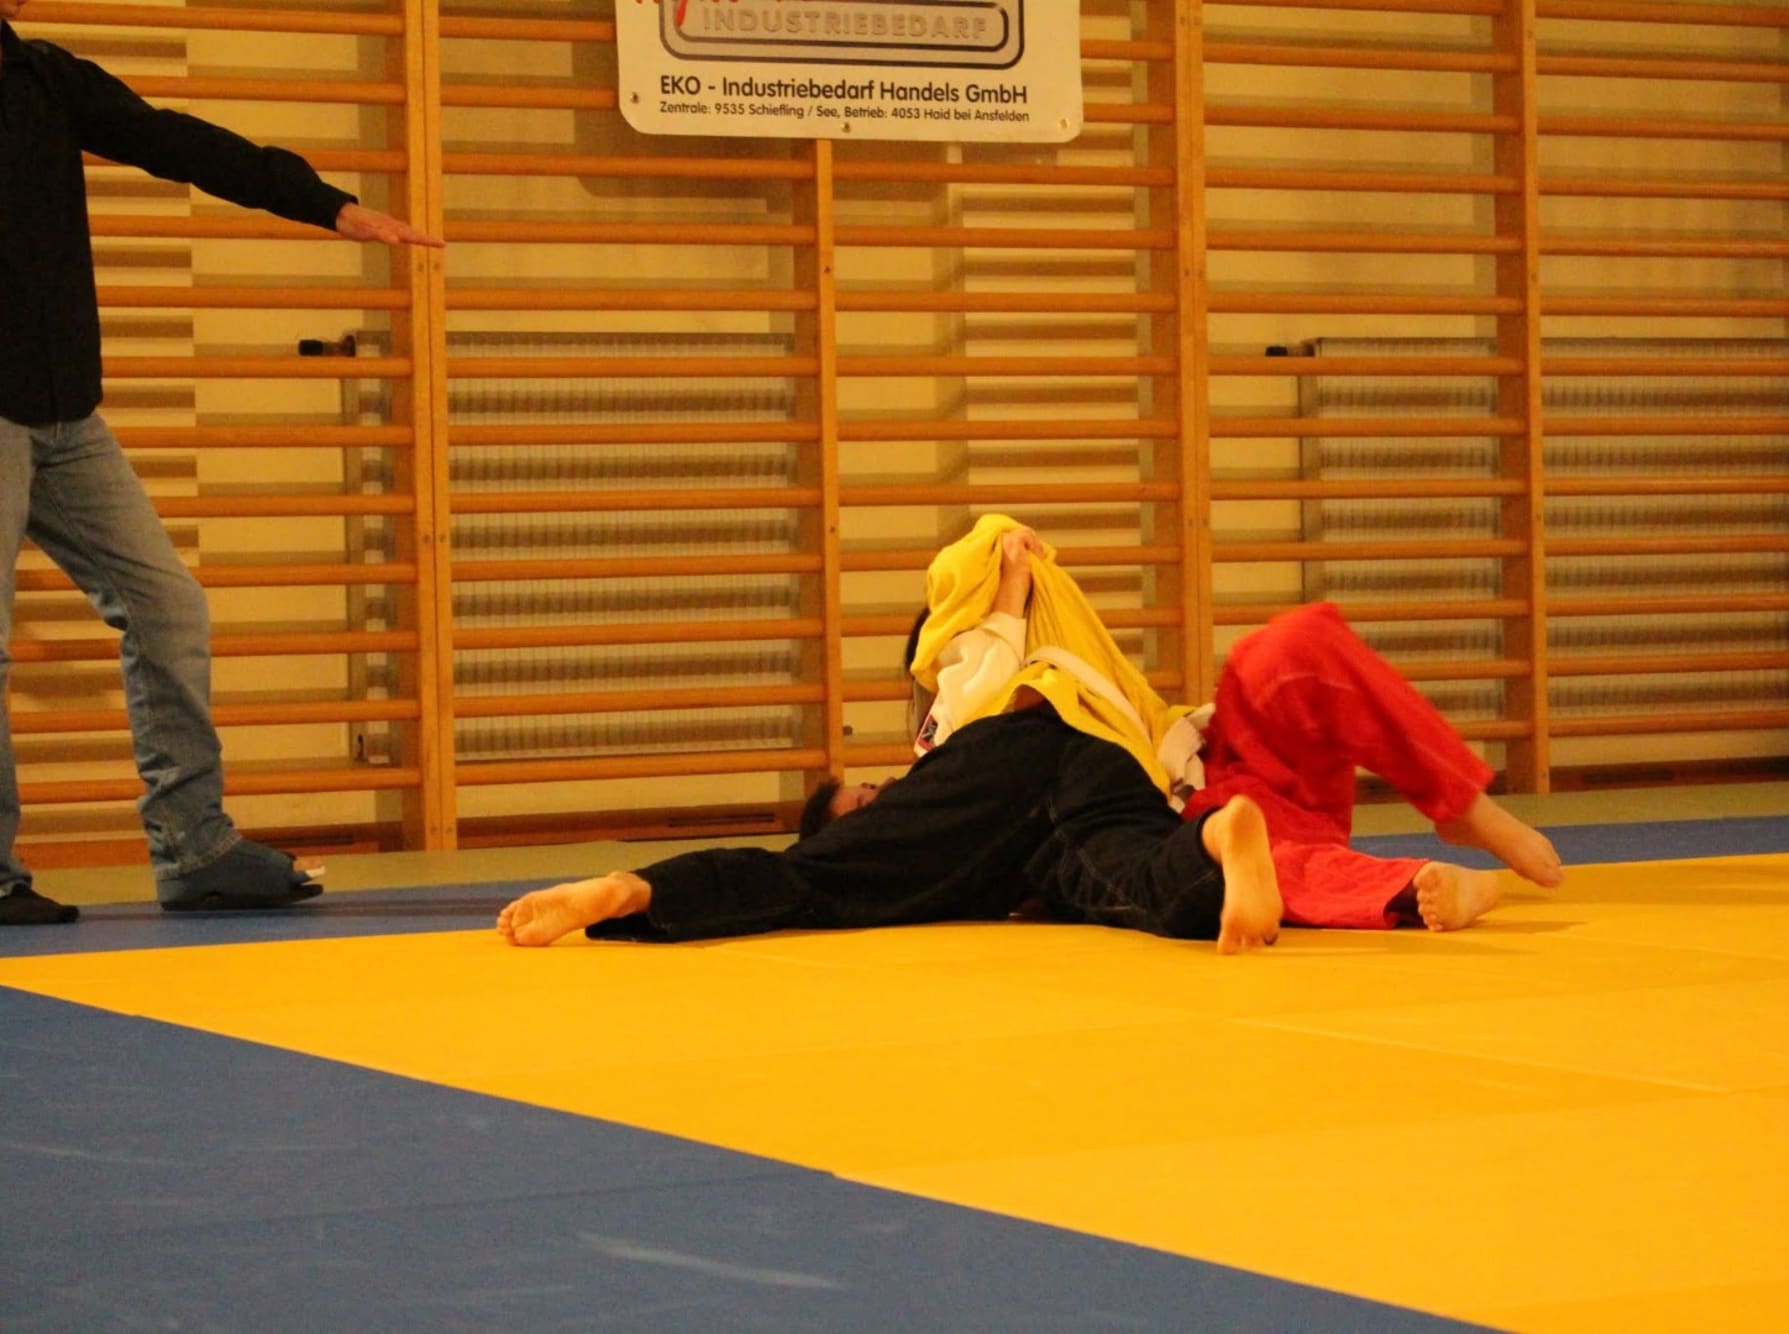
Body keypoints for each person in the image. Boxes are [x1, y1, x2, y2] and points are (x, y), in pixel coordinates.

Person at [1, 1, 445, 925]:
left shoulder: (42, 77)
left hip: (64, 414)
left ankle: (195, 847)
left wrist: (327, 204)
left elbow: (178, 141)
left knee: (167, 606)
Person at [900, 517, 1564, 934]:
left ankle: (1462, 804)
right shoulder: (950, 741)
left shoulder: (1069, 663)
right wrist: (1000, 608)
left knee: (1289, 647)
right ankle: (1411, 886)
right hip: (1187, 822)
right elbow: (980, 733)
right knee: (1253, 861)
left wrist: (1014, 579)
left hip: (1222, 753)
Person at [497, 707, 1285, 956]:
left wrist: (639, 888)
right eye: (861, 802)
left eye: (869, 793)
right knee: (1140, 882)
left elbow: (803, 870)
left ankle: (631, 891)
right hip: (1096, 769)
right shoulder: (962, 765)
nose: (876, 799)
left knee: (804, 882)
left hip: (1018, 770)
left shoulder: (938, 778)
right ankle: (1219, 838)